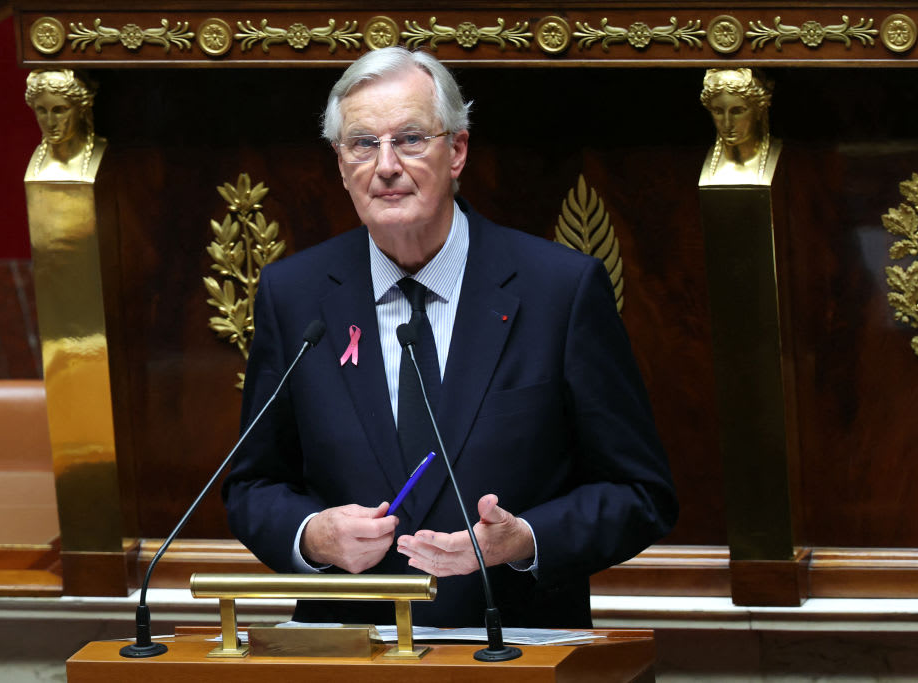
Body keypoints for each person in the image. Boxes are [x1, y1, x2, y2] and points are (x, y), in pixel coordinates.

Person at [222, 47, 676, 628]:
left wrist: (523, 540)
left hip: (513, 646)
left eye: (410, 139)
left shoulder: (558, 290)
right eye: (362, 144)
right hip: (350, 652)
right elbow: (253, 485)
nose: (385, 165)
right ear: (340, 164)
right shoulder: (295, 295)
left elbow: (641, 493)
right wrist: (312, 536)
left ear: (456, 150)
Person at [24, 69, 105, 182]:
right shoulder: (37, 163)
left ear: (81, 109)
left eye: (59, 110)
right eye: (42, 110)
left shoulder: (102, 153)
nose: (50, 123)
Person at [699, 68, 776, 184]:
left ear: (759, 110)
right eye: (718, 111)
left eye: (738, 111)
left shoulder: (789, 161)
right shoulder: (695, 162)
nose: (727, 124)